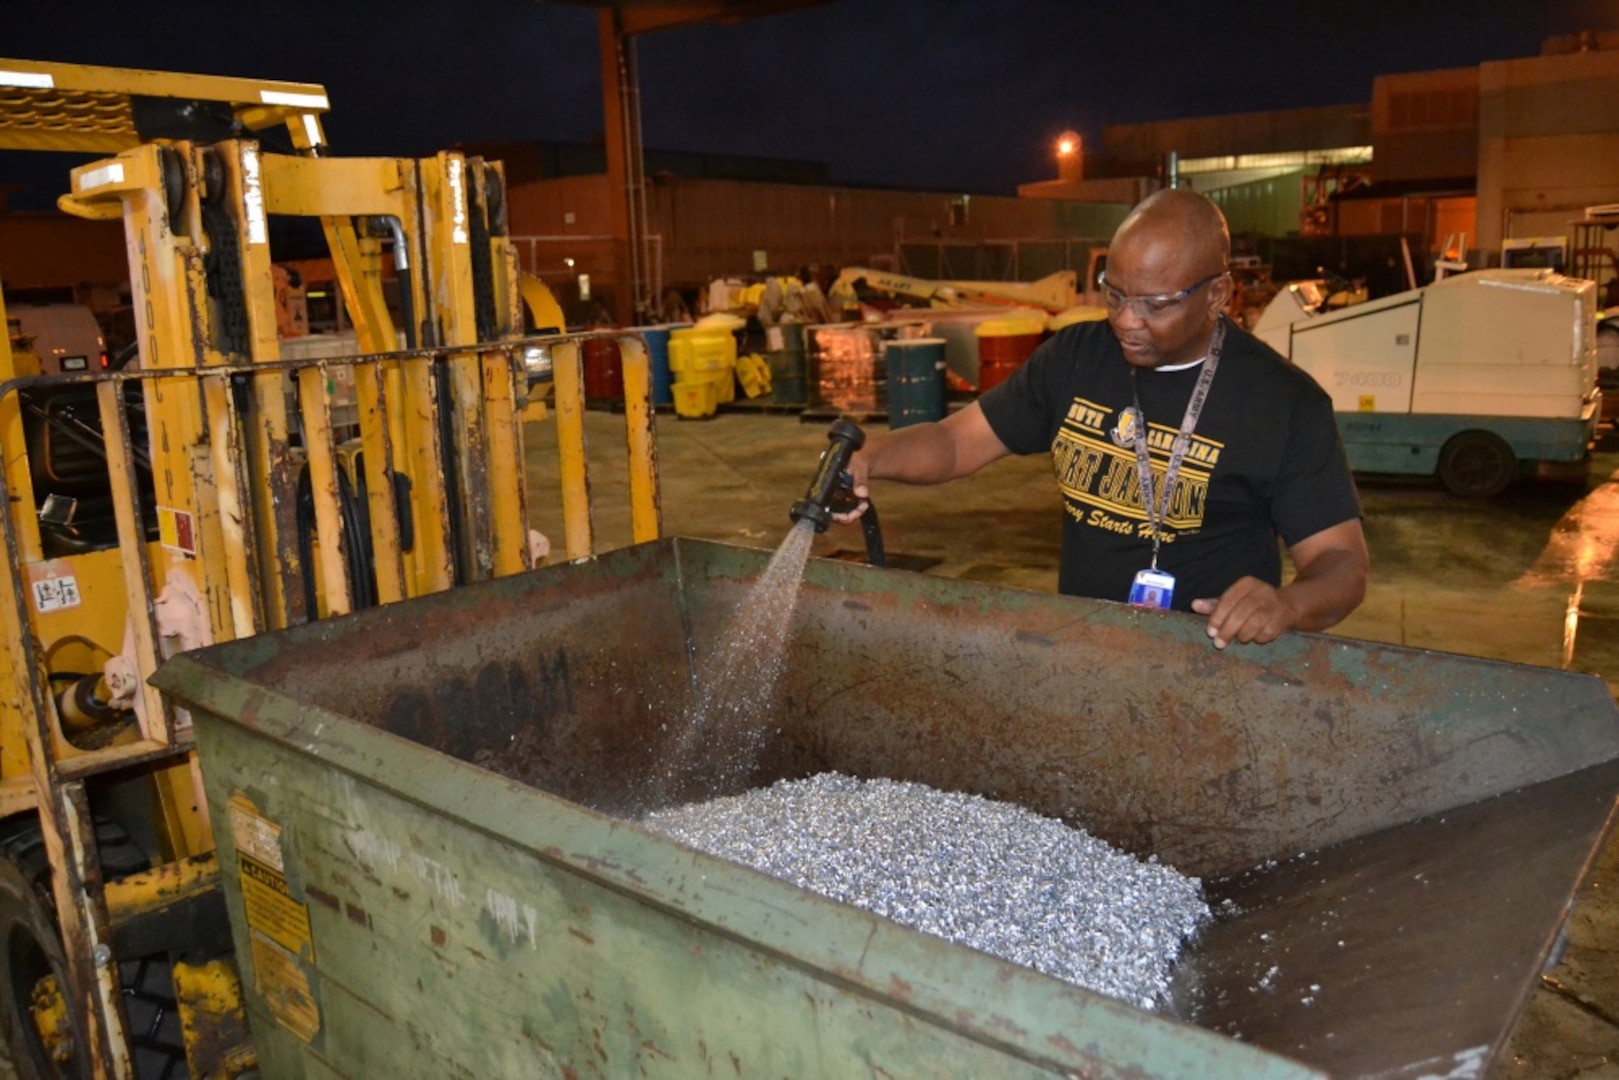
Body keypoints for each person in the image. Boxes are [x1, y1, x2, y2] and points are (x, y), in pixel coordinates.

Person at [838, 188, 1368, 649]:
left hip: (1214, 668)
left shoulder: (1283, 403)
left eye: (1155, 305)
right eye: (1114, 295)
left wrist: (1287, 605)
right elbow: (956, 442)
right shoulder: (1074, 358)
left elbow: (1341, 561)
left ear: (1216, 296)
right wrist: (870, 457)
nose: (1126, 321)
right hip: (1085, 650)